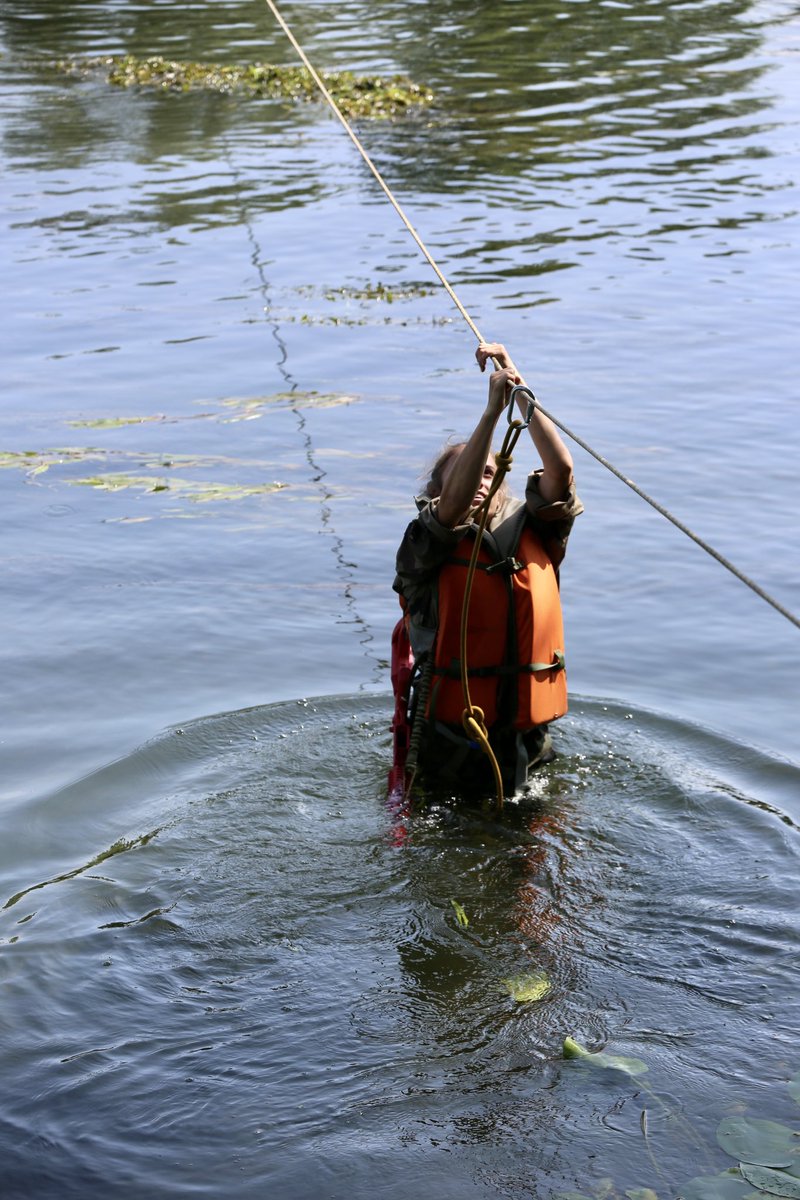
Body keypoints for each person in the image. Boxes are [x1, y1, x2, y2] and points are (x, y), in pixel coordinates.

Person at [390, 341, 583, 799]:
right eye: (466, 473)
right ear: (438, 488)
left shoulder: (539, 527)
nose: (478, 482)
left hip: (528, 741)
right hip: (448, 742)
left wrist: (520, 392)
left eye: (486, 473)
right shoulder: (423, 542)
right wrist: (490, 415)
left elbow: (561, 469)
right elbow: (452, 507)